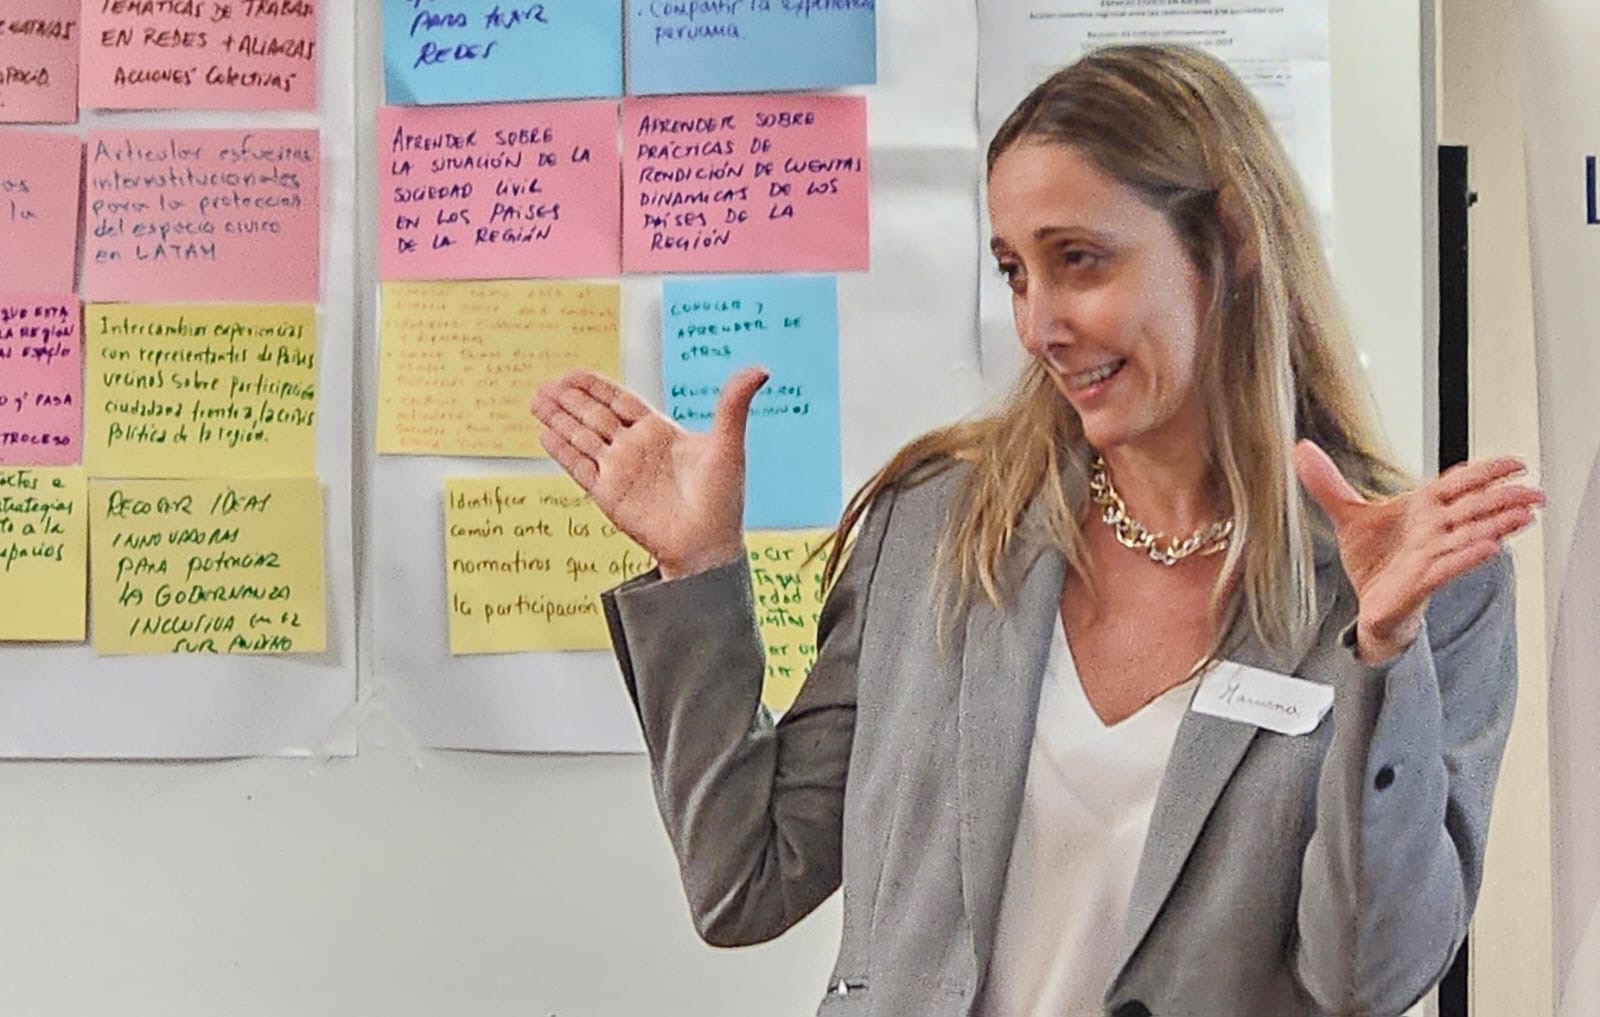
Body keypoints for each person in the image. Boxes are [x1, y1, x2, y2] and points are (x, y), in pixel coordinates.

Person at [530, 44, 1541, 1017]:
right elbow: (746, 881)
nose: (1040, 324)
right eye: (1016, 271)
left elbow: (1366, 975)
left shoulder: (1414, 584)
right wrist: (699, 569)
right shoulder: (937, 527)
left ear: (1230, 240)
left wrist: (1380, 654)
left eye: (1080, 262)